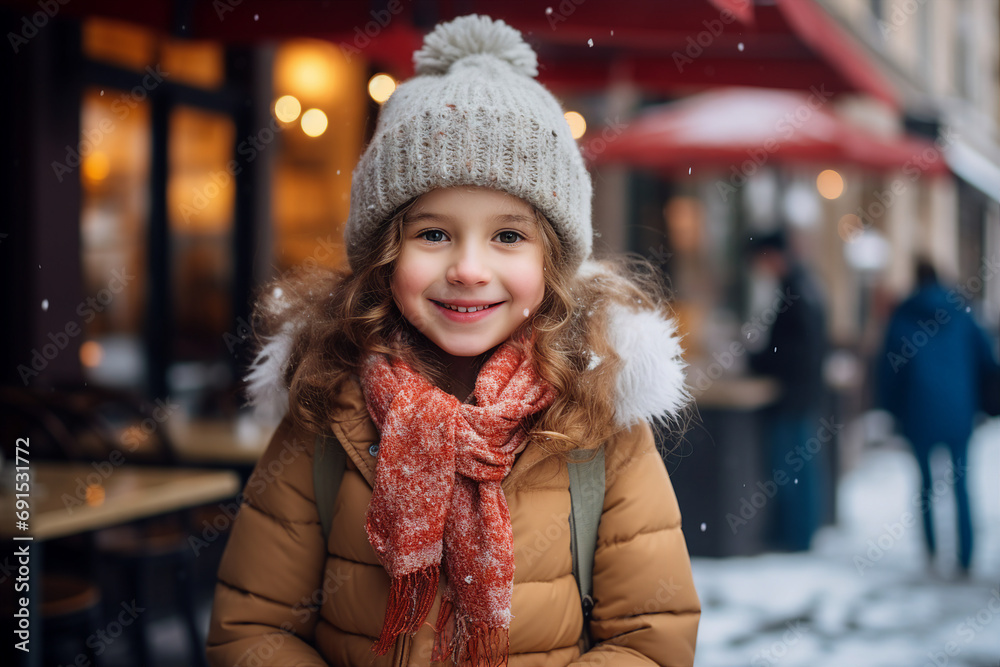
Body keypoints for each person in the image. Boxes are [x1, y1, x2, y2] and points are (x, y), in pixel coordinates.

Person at [206, 15, 700, 667]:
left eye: (508, 235)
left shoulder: (598, 421)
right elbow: (251, 628)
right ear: (386, 255)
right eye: (433, 233)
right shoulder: (327, 411)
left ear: (551, 263)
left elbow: (651, 636)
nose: (469, 268)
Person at [878, 258, 999, 576]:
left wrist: (891, 409)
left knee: (926, 485)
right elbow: (987, 360)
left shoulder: (904, 315)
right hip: (959, 410)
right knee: (961, 483)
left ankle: (931, 552)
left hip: (917, 411)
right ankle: (966, 557)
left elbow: (889, 368)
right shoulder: (962, 312)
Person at [748, 231, 829, 552]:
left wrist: (759, 360)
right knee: (799, 468)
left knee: (790, 468)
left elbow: (795, 350)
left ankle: (794, 535)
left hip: (793, 395)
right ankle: (798, 532)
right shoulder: (805, 285)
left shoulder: (795, 290)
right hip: (803, 393)